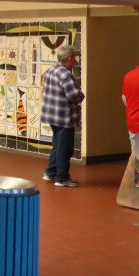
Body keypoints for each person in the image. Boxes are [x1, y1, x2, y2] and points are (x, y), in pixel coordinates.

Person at [41, 45, 85, 187]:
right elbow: (73, 95)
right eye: (75, 57)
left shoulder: (51, 70)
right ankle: (62, 178)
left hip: (51, 115)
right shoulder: (65, 74)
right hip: (64, 116)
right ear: (69, 58)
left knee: (57, 145)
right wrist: (81, 95)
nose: (76, 61)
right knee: (65, 148)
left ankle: (50, 172)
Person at [121, 52, 139, 188]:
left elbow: (124, 98)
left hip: (132, 120)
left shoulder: (129, 75)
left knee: (136, 154)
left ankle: (137, 185)